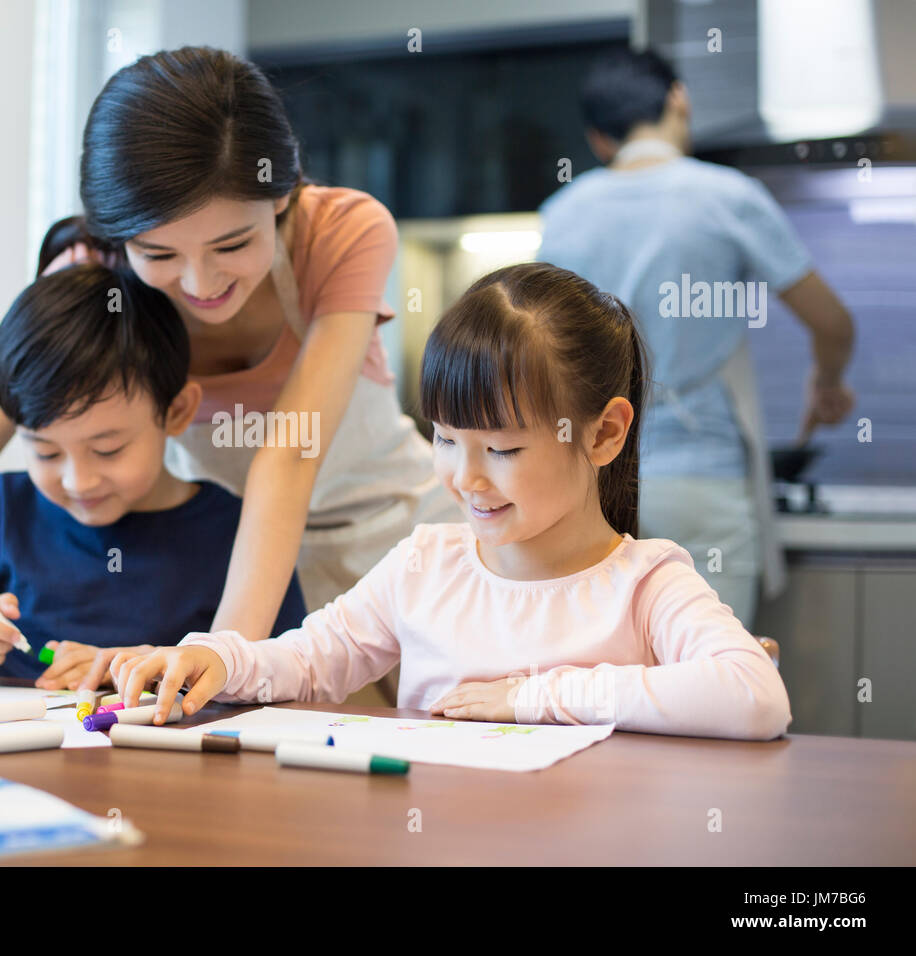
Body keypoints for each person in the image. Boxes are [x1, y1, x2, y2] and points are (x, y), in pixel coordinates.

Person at [0, 46, 456, 702]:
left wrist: (218, 658)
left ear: (283, 194)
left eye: (233, 243)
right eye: (159, 254)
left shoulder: (345, 232)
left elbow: (288, 457)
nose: (200, 282)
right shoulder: (93, 271)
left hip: (392, 536)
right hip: (248, 559)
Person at [109, 264, 793, 742]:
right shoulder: (425, 564)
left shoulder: (647, 584)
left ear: (604, 432)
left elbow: (756, 697)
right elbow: (313, 658)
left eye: (502, 450)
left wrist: (533, 699)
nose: (465, 479)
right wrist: (221, 659)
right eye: (444, 439)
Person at [0, 264, 306, 686]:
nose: (77, 481)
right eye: (45, 452)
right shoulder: (6, 510)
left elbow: (290, 671)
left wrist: (148, 670)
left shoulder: (236, 533)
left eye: (107, 449)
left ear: (177, 411)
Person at [537, 48, 855, 627]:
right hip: (702, 481)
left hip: (594, 484)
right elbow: (833, 322)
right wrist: (827, 382)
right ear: (679, 99)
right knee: (715, 682)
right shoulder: (728, 196)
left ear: (599, 139)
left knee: (611, 677)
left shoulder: (563, 213)